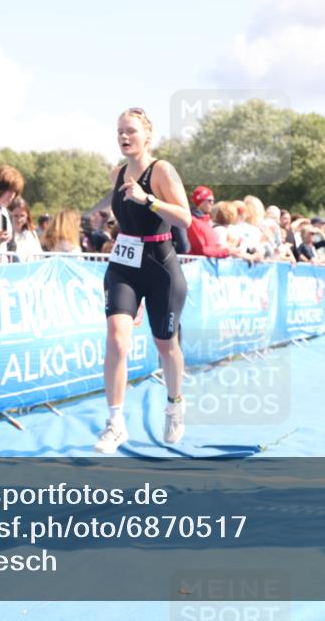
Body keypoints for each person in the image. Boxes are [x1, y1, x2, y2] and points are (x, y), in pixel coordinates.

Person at [96, 108, 191, 454]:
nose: (124, 137)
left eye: (131, 131)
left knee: (166, 345)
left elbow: (186, 219)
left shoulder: (161, 170)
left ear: (147, 135)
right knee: (117, 339)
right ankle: (115, 423)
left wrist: (147, 199)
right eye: (120, 131)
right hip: (124, 265)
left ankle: (174, 403)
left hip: (160, 264)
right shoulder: (116, 173)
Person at [8, 196, 43, 261]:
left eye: (22, 216)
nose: (19, 219)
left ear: (27, 216)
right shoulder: (6, 234)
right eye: (15, 216)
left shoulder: (31, 234)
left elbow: (39, 255)